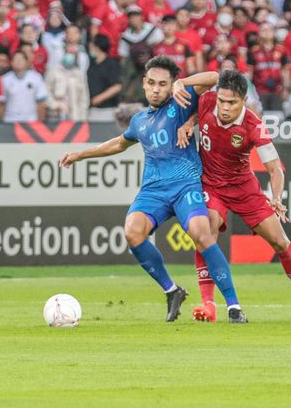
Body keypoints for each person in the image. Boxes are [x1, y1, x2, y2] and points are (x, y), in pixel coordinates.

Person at [59, 57, 248, 323]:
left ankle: (233, 306)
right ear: (144, 85)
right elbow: (117, 145)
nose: (156, 89)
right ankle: (172, 291)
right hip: (153, 191)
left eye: (163, 84)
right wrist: (81, 154)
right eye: (151, 83)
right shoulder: (139, 121)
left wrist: (184, 82)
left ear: (171, 85)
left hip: (185, 185)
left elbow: (215, 77)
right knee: (132, 233)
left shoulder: (182, 101)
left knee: (202, 234)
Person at [174, 70, 291, 323]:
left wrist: (276, 198)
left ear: (244, 101)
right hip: (211, 185)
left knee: (280, 242)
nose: (224, 107)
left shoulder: (253, 125)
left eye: (231, 103)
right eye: (222, 101)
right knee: (207, 228)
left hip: (244, 189)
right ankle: (208, 304)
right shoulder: (207, 102)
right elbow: (201, 102)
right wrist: (189, 122)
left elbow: (275, 168)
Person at [0, 50, 48, 123]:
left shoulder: (36, 78)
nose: (18, 62)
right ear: (11, 63)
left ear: (27, 62)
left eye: (21, 59)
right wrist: (0, 123)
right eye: (16, 59)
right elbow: (2, 104)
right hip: (9, 120)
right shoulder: (5, 79)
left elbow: (41, 103)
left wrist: (40, 123)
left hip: (31, 120)